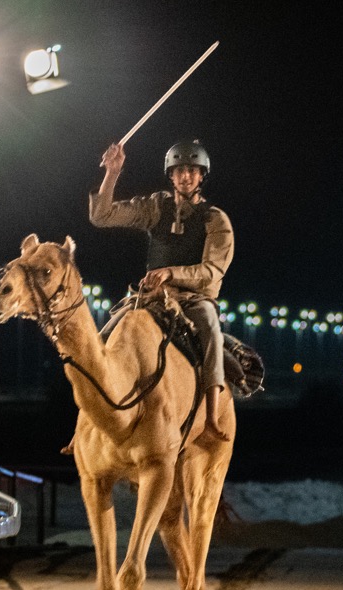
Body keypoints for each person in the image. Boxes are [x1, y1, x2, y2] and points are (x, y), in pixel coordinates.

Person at [89, 138, 234, 441]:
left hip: (194, 299)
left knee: (210, 328)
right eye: (179, 170)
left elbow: (212, 270)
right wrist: (112, 173)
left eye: (192, 170)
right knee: (101, 340)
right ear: (171, 175)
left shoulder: (215, 219)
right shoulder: (156, 207)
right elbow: (102, 216)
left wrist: (170, 273)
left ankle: (211, 417)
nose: (185, 176)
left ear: (201, 175)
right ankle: (87, 420)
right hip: (151, 297)